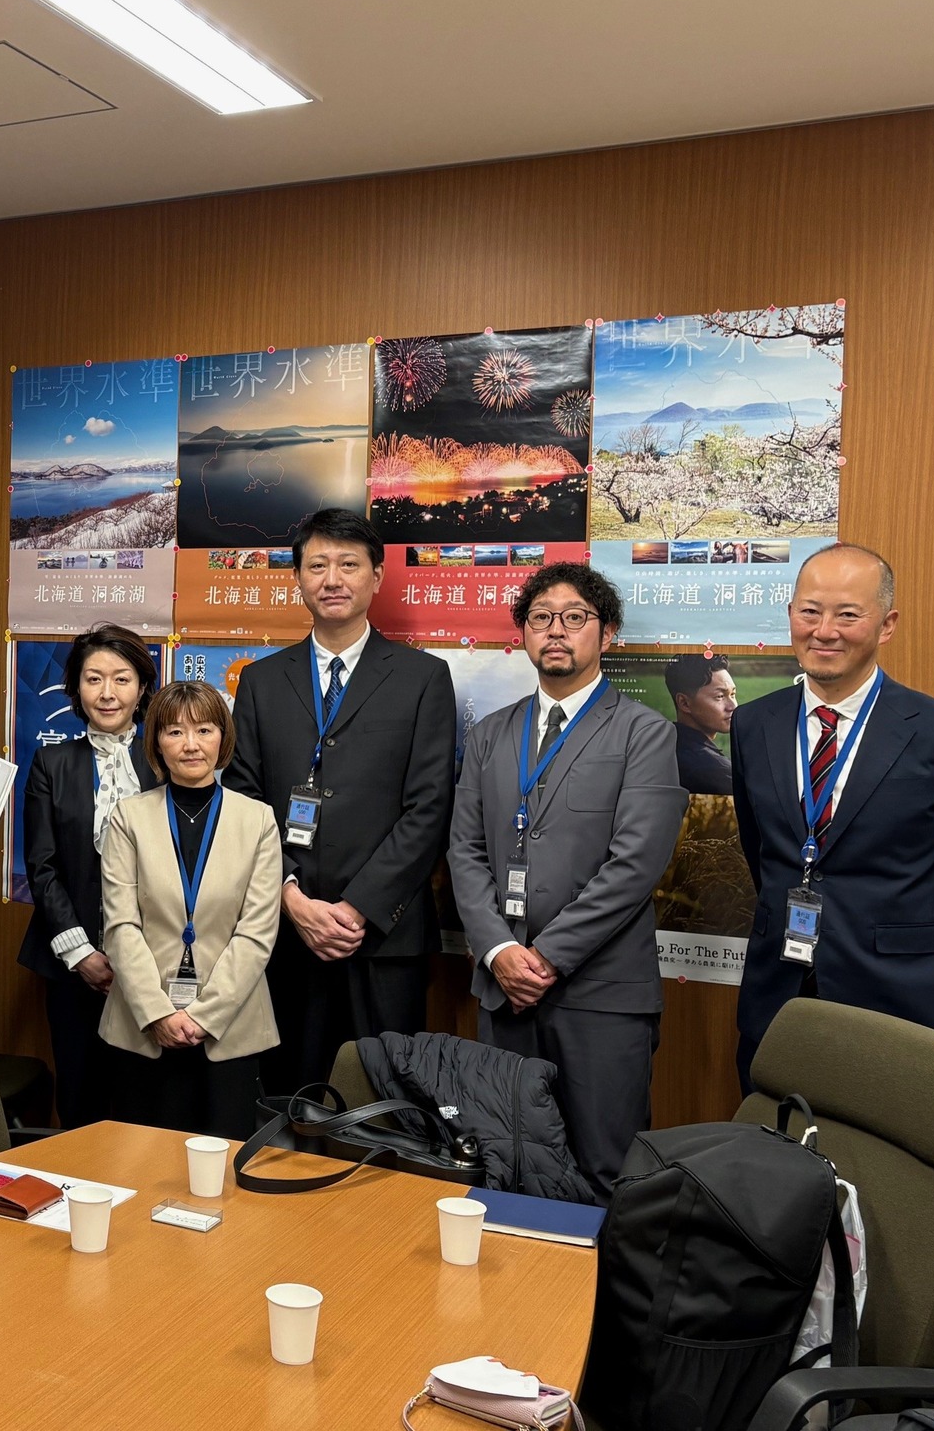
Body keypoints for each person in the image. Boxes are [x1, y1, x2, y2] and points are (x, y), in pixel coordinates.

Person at [449, 563, 687, 1198]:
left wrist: (547, 957)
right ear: (523, 634)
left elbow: (636, 864)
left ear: (606, 634)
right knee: (508, 1164)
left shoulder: (645, 733)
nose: (556, 631)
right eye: (540, 618)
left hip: (601, 996)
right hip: (504, 991)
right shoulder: (491, 734)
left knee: (603, 1170)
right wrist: (499, 952)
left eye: (575, 618)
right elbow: (464, 850)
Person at [731, 543, 934, 1091]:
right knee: (775, 1136)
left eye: (847, 614)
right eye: (810, 612)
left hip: (898, 997)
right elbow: (760, 847)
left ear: (887, 625)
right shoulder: (753, 724)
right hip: (779, 991)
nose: (824, 631)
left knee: (889, 1143)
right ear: (790, 614)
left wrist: (900, 937)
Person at [222, 506, 456, 1096]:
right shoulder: (261, 681)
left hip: (383, 936)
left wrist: (357, 908)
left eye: (349, 565)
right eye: (317, 565)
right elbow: (244, 802)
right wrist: (290, 897)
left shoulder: (423, 678)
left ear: (377, 576)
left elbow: (430, 807)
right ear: (297, 578)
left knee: (386, 1103)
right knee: (287, 1102)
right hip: (285, 933)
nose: (333, 579)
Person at [100, 681, 282, 1139]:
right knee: (139, 1163)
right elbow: (120, 926)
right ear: (157, 742)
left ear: (223, 737)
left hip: (232, 1027)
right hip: (143, 1027)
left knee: (223, 1167)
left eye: (204, 730)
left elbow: (256, 933)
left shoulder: (258, 820)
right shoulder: (128, 817)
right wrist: (157, 1012)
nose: (191, 745)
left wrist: (205, 1016)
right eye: (175, 732)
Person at [19, 625, 160, 1129]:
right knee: (80, 1099)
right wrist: (82, 954)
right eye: (93, 678)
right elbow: (42, 866)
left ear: (142, 689)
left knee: (147, 1102)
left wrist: (141, 954)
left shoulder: (164, 763)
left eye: (121, 679)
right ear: (76, 688)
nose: (107, 692)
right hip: (72, 963)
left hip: (155, 963)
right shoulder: (51, 762)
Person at [665, 651, 737, 796]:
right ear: (684, 703)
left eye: (733, 694)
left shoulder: (663, 746)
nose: (733, 706)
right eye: (720, 696)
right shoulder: (716, 771)